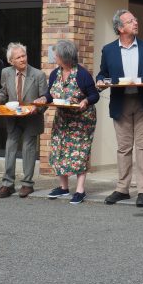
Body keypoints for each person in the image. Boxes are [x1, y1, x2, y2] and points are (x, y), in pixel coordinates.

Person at [96, 9, 143, 208]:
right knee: (124, 148)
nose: (135, 22)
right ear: (120, 28)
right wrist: (100, 81)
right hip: (121, 102)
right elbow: (103, 73)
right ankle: (122, 189)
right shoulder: (108, 50)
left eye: (135, 19)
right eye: (130, 21)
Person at [34, 40, 99, 204]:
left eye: (56, 55)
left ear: (64, 57)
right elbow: (50, 94)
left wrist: (85, 101)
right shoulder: (56, 73)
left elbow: (94, 95)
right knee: (59, 150)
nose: (54, 57)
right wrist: (43, 98)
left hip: (82, 120)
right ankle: (63, 188)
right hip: (62, 119)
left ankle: (80, 190)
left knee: (80, 153)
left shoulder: (82, 74)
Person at [0, 42, 47, 199]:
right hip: (13, 117)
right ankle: (7, 184)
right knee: (10, 147)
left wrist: (37, 107)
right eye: (18, 57)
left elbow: (45, 99)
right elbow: (3, 92)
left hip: (32, 117)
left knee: (28, 148)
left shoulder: (38, 75)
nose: (22, 59)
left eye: (24, 55)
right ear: (11, 61)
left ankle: (27, 184)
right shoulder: (6, 72)